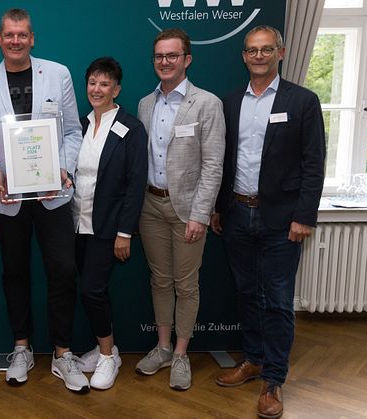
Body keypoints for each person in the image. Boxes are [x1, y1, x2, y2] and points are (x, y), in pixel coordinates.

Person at [0, 8, 85, 393]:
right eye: (9, 35)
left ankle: (63, 352)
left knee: (63, 272)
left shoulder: (58, 73)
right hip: (6, 198)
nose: (16, 41)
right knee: (14, 272)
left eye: (23, 35)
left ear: (32, 38)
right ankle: (22, 347)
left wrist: (63, 168)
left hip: (53, 195)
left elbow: (72, 131)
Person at [210, 25, 325, 419]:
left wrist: (303, 217)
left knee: (277, 301)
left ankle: (274, 380)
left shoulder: (303, 101)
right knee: (245, 292)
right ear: (244, 56)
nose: (258, 56)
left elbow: (314, 165)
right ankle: (254, 360)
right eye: (251, 50)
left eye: (266, 50)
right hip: (238, 213)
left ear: (281, 52)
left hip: (282, 221)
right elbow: (224, 162)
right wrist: (218, 207)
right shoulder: (230, 103)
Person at [136, 28, 225, 391]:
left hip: (187, 209)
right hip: (150, 207)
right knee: (160, 280)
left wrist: (200, 214)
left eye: (172, 56)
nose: (165, 62)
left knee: (186, 285)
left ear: (187, 59)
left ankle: (182, 354)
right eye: (159, 56)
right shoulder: (145, 104)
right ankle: (162, 347)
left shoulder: (207, 103)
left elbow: (213, 164)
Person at [72, 57, 148, 390]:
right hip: (77, 223)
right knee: (94, 291)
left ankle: (106, 358)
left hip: (108, 227)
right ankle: (108, 347)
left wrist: (124, 232)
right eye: (92, 82)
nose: (97, 89)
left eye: (105, 84)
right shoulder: (80, 124)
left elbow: (135, 184)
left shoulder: (131, 128)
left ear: (116, 89)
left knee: (91, 290)